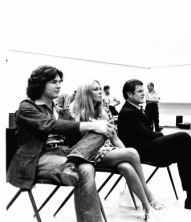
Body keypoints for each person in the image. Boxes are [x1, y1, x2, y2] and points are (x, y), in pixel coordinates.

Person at [7, 65, 115, 222]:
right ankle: (75, 161)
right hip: (39, 157)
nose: (58, 85)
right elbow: (51, 125)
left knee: (99, 134)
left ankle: (75, 159)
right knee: (86, 169)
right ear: (39, 83)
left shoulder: (60, 109)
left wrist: (101, 127)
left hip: (65, 153)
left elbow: (75, 134)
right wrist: (92, 125)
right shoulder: (27, 107)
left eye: (59, 81)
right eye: (53, 81)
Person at [118, 79, 191, 213]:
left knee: (183, 152)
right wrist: (161, 136)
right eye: (140, 91)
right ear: (129, 94)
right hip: (140, 152)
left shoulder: (137, 108)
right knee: (183, 136)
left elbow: (148, 130)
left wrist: (159, 135)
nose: (144, 94)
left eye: (143, 90)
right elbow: (144, 134)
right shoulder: (127, 112)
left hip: (148, 147)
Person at [71, 79, 166, 221]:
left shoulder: (104, 111)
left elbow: (114, 139)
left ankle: (147, 209)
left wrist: (125, 153)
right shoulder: (76, 113)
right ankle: (149, 195)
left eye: (100, 89)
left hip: (109, 150)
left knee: (127, 166)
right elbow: (75, 142)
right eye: (95, 89)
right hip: (89, 154)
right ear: (86, 93)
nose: (100, 92)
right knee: (132, 152)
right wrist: (128, 153)